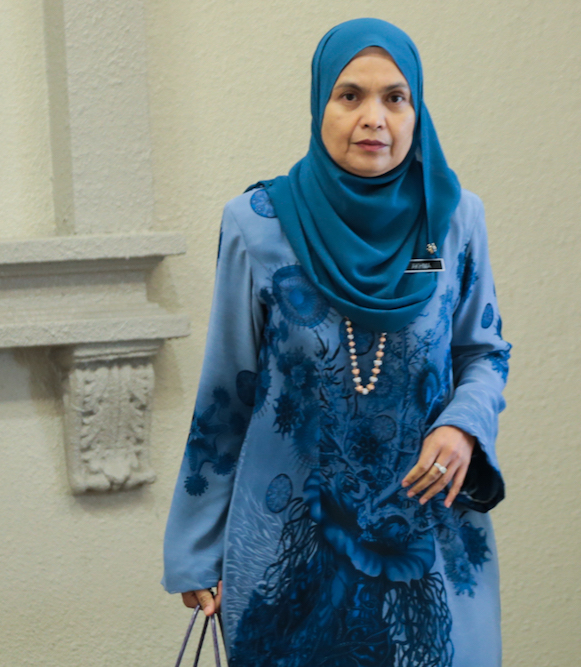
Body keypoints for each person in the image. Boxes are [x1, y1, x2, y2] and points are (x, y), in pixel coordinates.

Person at [162, 17, 511, 667]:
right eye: (350, 95)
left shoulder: (457, 217)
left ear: (416, 109)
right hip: (287, 559)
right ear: (321, 103)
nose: (373, 117)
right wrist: (195, 547)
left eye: (394, 97)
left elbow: (483, 352)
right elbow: (226, 391)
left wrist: (463, 426)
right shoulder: (257, 224)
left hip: (427, 549)